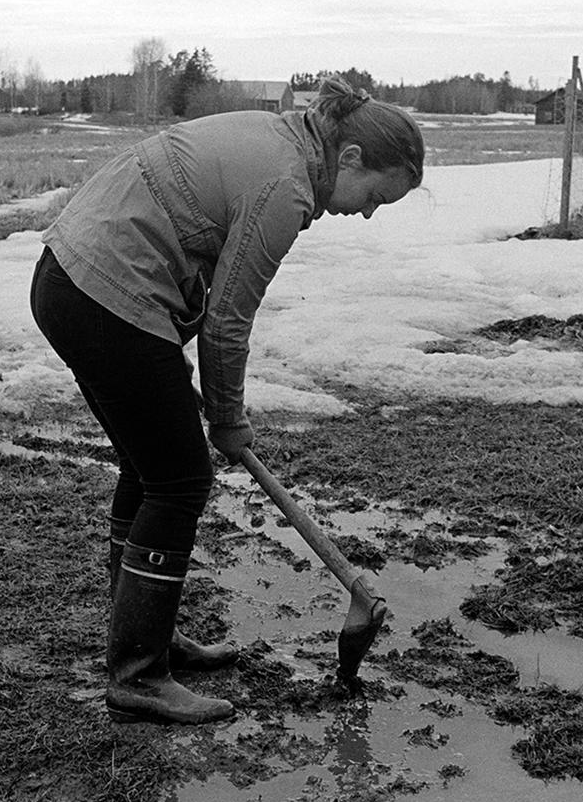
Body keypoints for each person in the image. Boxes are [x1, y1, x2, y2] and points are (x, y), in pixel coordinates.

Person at [30, 77, 424, 725]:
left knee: (150, 469)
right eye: (377, 196)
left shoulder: (279, 139)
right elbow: (228, 320)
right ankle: (138, 675)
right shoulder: (286, 186)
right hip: (105, 291)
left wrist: (213, 408)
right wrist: (227, 417)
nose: (368, 212)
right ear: (350, 159)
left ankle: (146, 636)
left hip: (70, 277)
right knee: (180, 479)